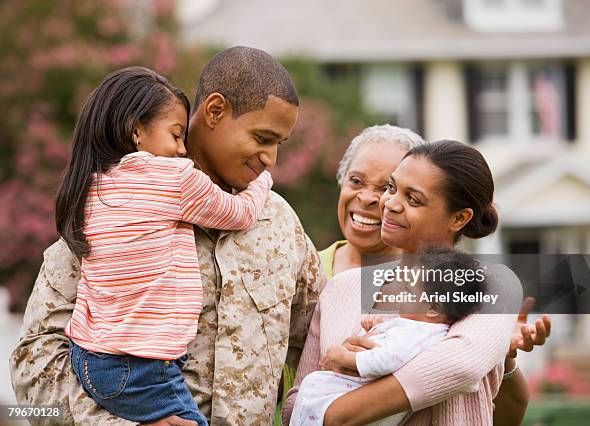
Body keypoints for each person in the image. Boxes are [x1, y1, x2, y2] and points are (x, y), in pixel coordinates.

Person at [10, 46, 325, 426]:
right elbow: (32, 366)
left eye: (279, 144)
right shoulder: (115, 205)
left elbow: (320, 336)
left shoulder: (279, 222)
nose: (271, 159)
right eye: (262, 138)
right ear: (214, 111)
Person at [282, 125, 552, 425]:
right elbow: (295, 404)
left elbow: (460, 367)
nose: (390, 203)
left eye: (413, 199)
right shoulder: (341, 288)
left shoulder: (490, 284)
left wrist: (341, 403)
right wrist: (336, 370)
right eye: (393, 188)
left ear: (459, 218)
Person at [58, 67, 277, 425]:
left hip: (89, 359)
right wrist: (263, 181)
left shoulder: (91, 186)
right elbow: (240, 213)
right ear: (136, 131)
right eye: (175, 136)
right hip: (140, 366)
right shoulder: (174, 178)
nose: (181, 150)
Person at [291, 247, 488, 426]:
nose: (399, 294)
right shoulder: (419, 326)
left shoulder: (421, 332)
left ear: (433, 308)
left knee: (313, 387)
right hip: (363, 400)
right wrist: (378, 327)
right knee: (311, 389)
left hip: (364, 398)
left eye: (408, 291)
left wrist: (345, 358)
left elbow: (386, 359)